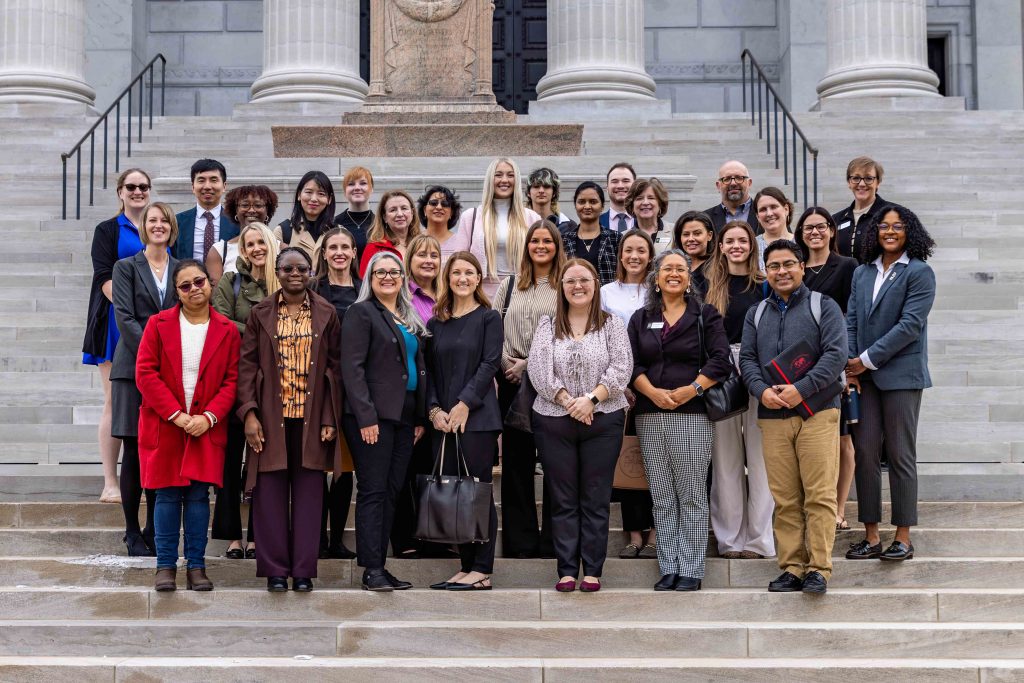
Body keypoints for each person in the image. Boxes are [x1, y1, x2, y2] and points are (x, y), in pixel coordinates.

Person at [739, 239, 847, 594]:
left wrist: (802, 388)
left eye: (788, 264)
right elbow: (748, 360)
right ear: (765, 272)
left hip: (817, 412)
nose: (781, 272)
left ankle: (818, 568)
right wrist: (761, 391)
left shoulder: (823, 306)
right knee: (785, 498)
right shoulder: (756, 313)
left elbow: (836, 355)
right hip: (773, 416)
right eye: (774, 266)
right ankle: (792, 567)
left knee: (818, 494)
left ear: (802, 267)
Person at [236, 247, 342, 593]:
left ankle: (303, 571)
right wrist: (249, 413)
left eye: (301, 268)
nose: (295, 273)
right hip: (270, 418)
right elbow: (247, 366)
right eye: (287, 268)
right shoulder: (260, 312)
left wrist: (329, 416)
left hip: (312, 419)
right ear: (277, 272)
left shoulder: (326, 312)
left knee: (311, 497)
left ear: (312, 271)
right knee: (269, 496)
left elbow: (334, 369)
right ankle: (276, 571)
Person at [627, 250, 732, 592]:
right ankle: (668, 565)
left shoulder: (706, 314)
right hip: (650, 413)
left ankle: (691, 567)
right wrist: (653, 392)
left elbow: (720, 361)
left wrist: (692, 389)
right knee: (661, 495)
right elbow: (632, 365)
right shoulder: (641, 318)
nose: (673, 274)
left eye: (680, 269)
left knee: (690, 494)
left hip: (691, 414)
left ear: (689, 278)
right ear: (655, 278)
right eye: (666, 269)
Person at [136, 260, 240, 592]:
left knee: (198, 496)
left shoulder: (227, 329)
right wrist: (176, 415)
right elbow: (146, 374)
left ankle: (196, 566)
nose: (195, 289)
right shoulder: (157, 324)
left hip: (206, 426)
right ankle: (165, 566)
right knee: (166, 495)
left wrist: (207, 417)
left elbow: (232, 381)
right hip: (166, 424)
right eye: (185, 285)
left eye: (199, 282)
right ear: (177, 293)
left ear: (210, 284)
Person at [529, 259, 632, 593]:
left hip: (603, 419)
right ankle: (567, 569)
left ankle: (593, 569)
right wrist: (569, 402)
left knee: (595, 495)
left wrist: (591, 399)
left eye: (584, 280)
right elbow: (538, 369)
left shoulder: (612, 325)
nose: (577, 286)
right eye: (570, 281)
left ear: (595, 283)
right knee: (563, 497)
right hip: (553, 420)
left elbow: (621, 367)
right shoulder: (548, 325)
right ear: (561, 286)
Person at [845, 205, 936, 563]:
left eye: (898, 226)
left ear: (909, 231)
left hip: (901, 376)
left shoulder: (919, 272)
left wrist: (864, 360)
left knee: (899, 454)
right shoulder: (862, 274)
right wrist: (851, 366)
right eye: (884, 225)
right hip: (863, 378)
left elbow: (909, 326)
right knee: (865, 453)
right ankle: (870, 535)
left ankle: (903, 536)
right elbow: (851, 319)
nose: (890, 231)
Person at [341, 252, 427, 591]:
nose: (388, 276)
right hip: (372, 416)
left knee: (392, 491)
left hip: (405, 416)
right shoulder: (361, 313)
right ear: (370, 278)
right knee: (374, 490)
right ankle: (371, 568)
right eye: (381, 272)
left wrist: (419, 416)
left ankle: (381, 564)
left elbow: (416, 366)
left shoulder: (406, 316)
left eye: (394, 271)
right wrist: (366, 416)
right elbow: (353, 369)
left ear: (403, 277)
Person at [426, 252, 503, 590]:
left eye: (469, 273)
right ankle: (466, 565)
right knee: (456, 495)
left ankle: (482, 569)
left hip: (478, 419)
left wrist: (463, 405)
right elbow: (429, 372)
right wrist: (433, 409)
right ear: (448, 277)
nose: (462, 278)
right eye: (456, 272)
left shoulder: (489, 318)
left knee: (477, 491)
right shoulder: (436, 322)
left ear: (478, 278)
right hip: (443, 421)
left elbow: (489, 364)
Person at [493, 220, 565, 559]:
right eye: (535, 240)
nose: (540, 246)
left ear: (556, 246)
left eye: (547, 241)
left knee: (554, 464)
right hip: (511, 382)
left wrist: (531, 364)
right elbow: (492, 329)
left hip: (552, 383)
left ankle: (554, 543)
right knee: (516, 466)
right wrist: (507, 363)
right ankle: (521, 543)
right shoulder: (508, 286)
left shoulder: (565, 285)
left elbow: (569, 333)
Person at [111, 201, 179, 556]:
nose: (158, 225)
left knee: (159, 450)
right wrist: (158, 355)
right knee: (135, 451)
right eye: (152, 220)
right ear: (144, 226)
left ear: (171, 227)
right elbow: (125, 317)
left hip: (170, 374)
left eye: (164, 221)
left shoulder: (182, 268)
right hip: (133, 368)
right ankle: (132, 530)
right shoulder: (126, 267)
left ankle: (155, 527)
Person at [703, 221, 774, 560]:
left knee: (760, 459)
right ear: (720, 246)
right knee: (725, 458)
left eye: (742, 240)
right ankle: (730, 539)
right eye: (729, 240)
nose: (735, 246)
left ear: (752, 245)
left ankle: (760, 540)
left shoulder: (764, 285)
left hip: (758, 368)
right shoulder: (708, 285)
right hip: (720, 372)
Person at [210, 222, 280, 560]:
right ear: (243, 249)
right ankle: (232, 535)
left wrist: (252, 331)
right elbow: (220, 323)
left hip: (276, 382)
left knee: (262, 459)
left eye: (261, 242)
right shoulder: (230, 281)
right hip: (236, 379)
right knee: (230, 458)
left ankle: (256, 534)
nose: (256, 248)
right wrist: (265, 331)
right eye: (250, 243)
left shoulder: (284, 280)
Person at [83, 167, 152, 504]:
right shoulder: (108, 229)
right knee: (113, 401)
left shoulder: (159, 225)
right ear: (120, 191)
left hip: (154, 324)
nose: (138, 192)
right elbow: (103, 276)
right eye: (131, 187)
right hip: (113, 322)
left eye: (143, 187)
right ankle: (111, 481)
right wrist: (132, 312)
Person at [795, 207, 859, 531]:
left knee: (843, 439)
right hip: (799, 368)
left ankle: (838, 507)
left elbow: (853, 314)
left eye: (821, 226)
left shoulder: (847, 266)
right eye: (808, 228)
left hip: (836, 364)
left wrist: (849, 366)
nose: (815, 232)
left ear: (832, 230)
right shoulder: (796, 268)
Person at [600, 229, 657, 560]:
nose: (634, 256)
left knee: (651, 461)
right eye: (628, 250)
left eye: (641, 250)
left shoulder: (657, 290)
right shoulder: (607, 292)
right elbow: (604, 338)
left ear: (650, 255)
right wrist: (620, 383)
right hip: (617, 388)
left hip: (651, 385)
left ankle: (652, 534)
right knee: (627, 460)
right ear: (620, 255)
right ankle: (633, 534)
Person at [390, 233, 448, 559]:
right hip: (412, 398)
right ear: (409, 259)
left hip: (447, 395)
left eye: (434, 255)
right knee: (404, 472)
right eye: (421, 255)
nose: (428, 261)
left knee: (436, 472)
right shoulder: (401, 299)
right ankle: (404, 538)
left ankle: (437, 537)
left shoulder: (449, 296)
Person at [310, 227, 361, 560]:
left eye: (346, 247)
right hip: (318, 387)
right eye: (333, 247)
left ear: (354, 252)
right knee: (316, 467)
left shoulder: (364, 291)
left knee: (345, 471)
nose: (340, 252)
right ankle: (314, 538)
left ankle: (337, 539)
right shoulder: (314, 290)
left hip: (353, 389)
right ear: (324, 254)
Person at [463, 157, 542, 296]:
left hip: (522, 292)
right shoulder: (471, 217)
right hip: (481, 295)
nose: (504, 180)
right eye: (498, 175)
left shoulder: (532, 218)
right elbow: (461, 260)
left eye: (510, 175)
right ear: (490, 179)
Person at [206, 184, 278, 286]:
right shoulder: (219, 251)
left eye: (258, 205)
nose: (252, 210)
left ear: (267, 211)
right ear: (235, 210)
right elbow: (216, 294)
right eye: (245, 205)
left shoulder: (281, 248)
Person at [174, 158, 240, 261]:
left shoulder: (236, 223)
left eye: (214, 180)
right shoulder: (177, 222)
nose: (207, 186)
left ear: (224, 186)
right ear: (193, 187)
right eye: (201, 180)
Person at [561, 182, 620, 285]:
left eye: (593, 202)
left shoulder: (615, 238)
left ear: (602, 206)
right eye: (581, 202)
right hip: (574, 297)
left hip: (606, 299)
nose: (587, 206)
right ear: (575, 205)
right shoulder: (564, 240)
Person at [833, 156, 890, 263]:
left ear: (878, 182)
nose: (862, 184)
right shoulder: (836, 219)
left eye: (868, 178)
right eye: (856, 178)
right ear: (849, 183)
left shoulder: (893, 213)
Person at [275, 171, 337, 262]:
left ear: (329, 199)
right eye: (309, 192)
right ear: (299, 195)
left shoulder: (338, 232)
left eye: (321, 194)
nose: (314, 199)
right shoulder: (283, 231)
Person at [359, 190, 420, 277]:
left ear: (412, 213)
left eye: (404, 208)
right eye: (393, 210)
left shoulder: (421, 244)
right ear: (385, 217)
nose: (399, 214)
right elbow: (364, 283)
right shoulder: (374, 248)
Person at [704, 160, 762, 233]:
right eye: (727, 179)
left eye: (739, 178)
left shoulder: (765, 214)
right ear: (718, 186)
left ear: (749, 183)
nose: (733, 183)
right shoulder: (705, 219)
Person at [416, 185, 464, 263]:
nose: (439, 207)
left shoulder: (461, 242)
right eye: (433, 203)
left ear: (451, 212)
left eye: (445, 204)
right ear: (424, 210)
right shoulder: (414, 241)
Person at [624, 177, 672, 254]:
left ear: (660, 204)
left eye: (651, 198)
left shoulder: (675, 231)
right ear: (632, 206)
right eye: (639, 198)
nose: (645, 202)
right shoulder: (623, 237)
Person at [673, 211, 716, 296]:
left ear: (709, 235)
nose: (691, 239)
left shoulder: (719, 267)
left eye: (697, 233)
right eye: (686, 234)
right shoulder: (672, 266)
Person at [334, 165, 374, 257]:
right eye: (351, 184)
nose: (357, 188)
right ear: (345, 191)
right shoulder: (334, 224)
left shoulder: (380, 224)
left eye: (363, 183)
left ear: (371, 189)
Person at [754, 186, 795, 266]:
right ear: (758, 216)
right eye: (763, 209)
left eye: (773, 207)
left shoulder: (803, 243)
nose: (769, 213)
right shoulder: (752, 246)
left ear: (786, 209)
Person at [600, 162, 637, 233]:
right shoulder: (596, 223)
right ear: (607, 188)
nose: (620, 186)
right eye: (614, 181)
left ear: (635, 186)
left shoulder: (646, 221)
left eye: (626, 181)